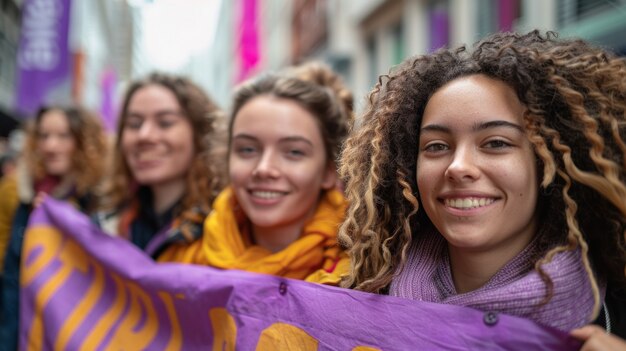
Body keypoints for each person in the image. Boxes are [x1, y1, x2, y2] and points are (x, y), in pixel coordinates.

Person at [337, 30, 626, 342]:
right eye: (436, 146)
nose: (458, 167)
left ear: (548, 160)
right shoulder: (360, 306)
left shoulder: (617, 313)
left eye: (496, 143)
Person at [164, 62, 352, 283]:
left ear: (330, 170)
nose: (264, 168)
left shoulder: (364, 274)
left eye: (293, 152)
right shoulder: (179, 259)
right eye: (248, 149)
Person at [0, 106, 108, 350]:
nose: (50, 146)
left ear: (83, 141)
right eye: (44, 135)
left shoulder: (100, 199)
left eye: (63, 136)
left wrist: (68, 221)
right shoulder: (21, 193)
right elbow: (10, 278)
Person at [95, 72, 227, 261]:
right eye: (134, 124)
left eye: (165, 123)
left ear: (200, 135)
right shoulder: (103, 226)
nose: (144, 135)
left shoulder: (228, 230)